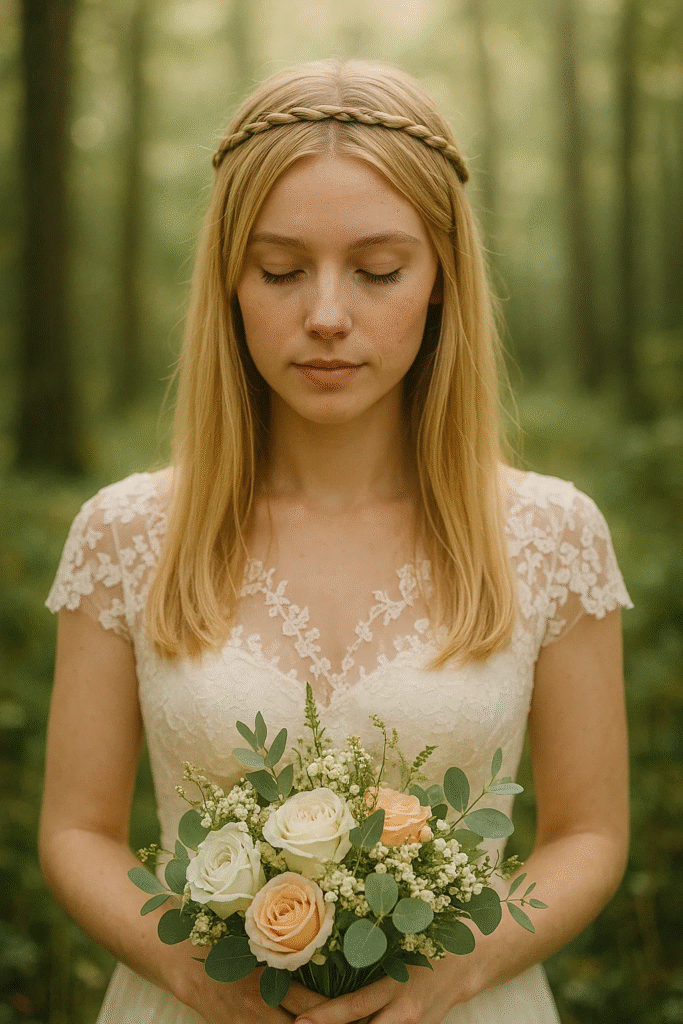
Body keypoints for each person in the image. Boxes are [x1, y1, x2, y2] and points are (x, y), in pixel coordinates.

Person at [39, 57, 632, 1024]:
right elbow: (75, 829)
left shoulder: (551, 535)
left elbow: (589, 833)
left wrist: (462, 967)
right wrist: (195, 973)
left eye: (378, 270)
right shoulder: (126, 534)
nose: (323, 315)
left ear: (441, 278)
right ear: (229, 280)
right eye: (278, 270)